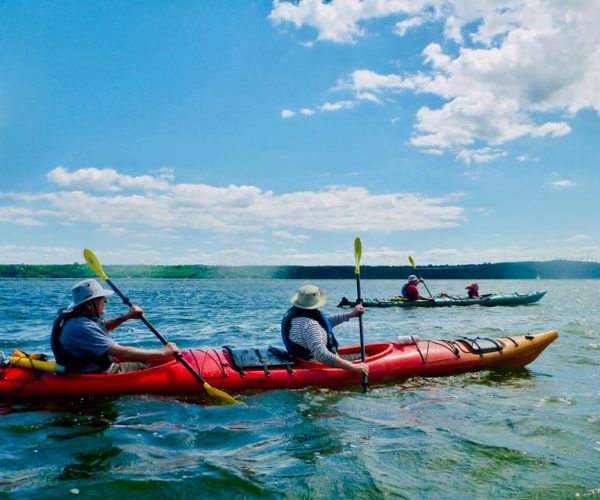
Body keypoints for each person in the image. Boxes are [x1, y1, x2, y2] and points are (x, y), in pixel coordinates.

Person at [51, 278, 178, 373]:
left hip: (86, 365)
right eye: (101, 299)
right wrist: (162, 352)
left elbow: (102, 327)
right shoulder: (82, 326)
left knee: (146, 358)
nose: (106, 301)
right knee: (151, 366)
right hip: (95, 372)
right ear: (89, 305)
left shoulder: (78, 319)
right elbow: (123, 353)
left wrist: (125, 317)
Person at [281, 284, 369, 376]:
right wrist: (354, 368)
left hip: (300, 359)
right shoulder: (310, 325)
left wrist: (349, 315)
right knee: (365, 356)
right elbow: (321, 354)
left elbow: (325, 323)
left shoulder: (298, 317)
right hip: (314, 363)